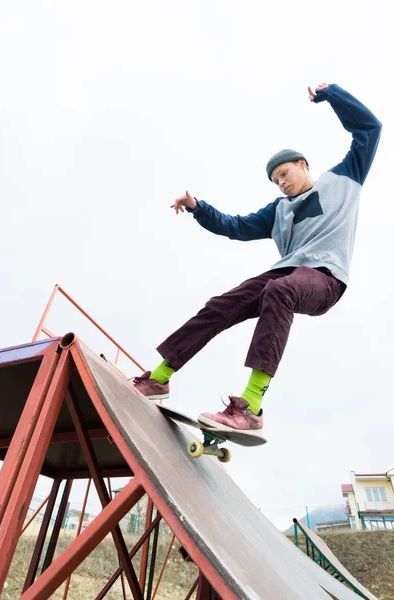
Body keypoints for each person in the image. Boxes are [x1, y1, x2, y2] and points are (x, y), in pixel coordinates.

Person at [133, 82, 382, 435]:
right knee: (220, 305)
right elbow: (235, 226)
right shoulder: (278, 210)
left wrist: (333, 95)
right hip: (285, 273)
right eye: (275, 181)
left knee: (281, 290)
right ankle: (159, 378)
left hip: (325, 278)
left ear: (302, 164)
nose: (281, 184)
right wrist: (197, 208)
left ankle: (251, 407)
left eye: (285, 174)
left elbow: (370, 129)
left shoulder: (344, 179)